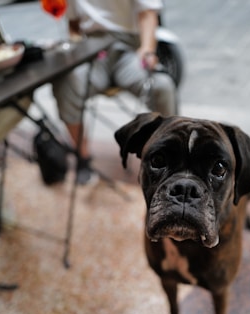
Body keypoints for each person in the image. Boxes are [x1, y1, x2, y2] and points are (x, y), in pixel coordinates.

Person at [52, 0, 178, 185]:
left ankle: (171, 157)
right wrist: (75, 47)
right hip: (92, 51)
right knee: (65, 84)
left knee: (162, 86)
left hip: (129, 48)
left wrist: (147, 50)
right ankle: (83, 157)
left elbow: (148, 13)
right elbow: (73, 23)